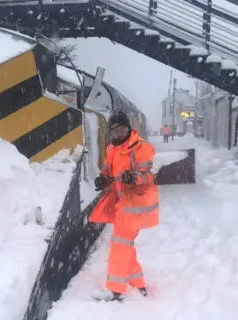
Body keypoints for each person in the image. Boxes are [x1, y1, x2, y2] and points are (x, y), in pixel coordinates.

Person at [89, 109, 160, 302]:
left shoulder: (141, 147)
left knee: (119, 245)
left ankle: (115, 290)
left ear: (129, 128)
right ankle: (138, 284)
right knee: (125, 245)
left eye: (121, 130)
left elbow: (148, 177)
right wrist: (103, 180)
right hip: (123, 204)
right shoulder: (112, 149)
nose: (119, 134)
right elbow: (106, 170)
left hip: (136, 205)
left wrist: (134, 177)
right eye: (114, 131)